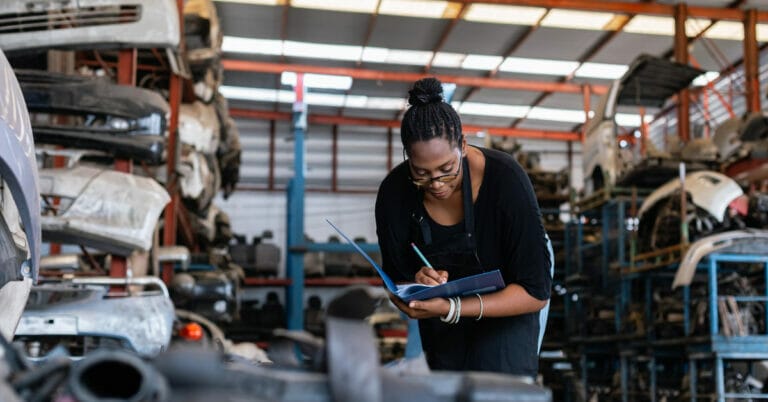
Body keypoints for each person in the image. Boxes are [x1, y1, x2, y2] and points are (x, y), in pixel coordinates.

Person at [375, 77, 552, 377]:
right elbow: (396, 282)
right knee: (444, 379)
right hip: (441, 310)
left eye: (447, 170)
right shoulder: (394, 194)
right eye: (422, 174)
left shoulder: (506, 180)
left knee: (499, 381)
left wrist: (453, 307)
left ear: (464, 145)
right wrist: (416, 284)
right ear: (407, 158)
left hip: (512, 295)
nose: (436, 184)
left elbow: (535, 291)